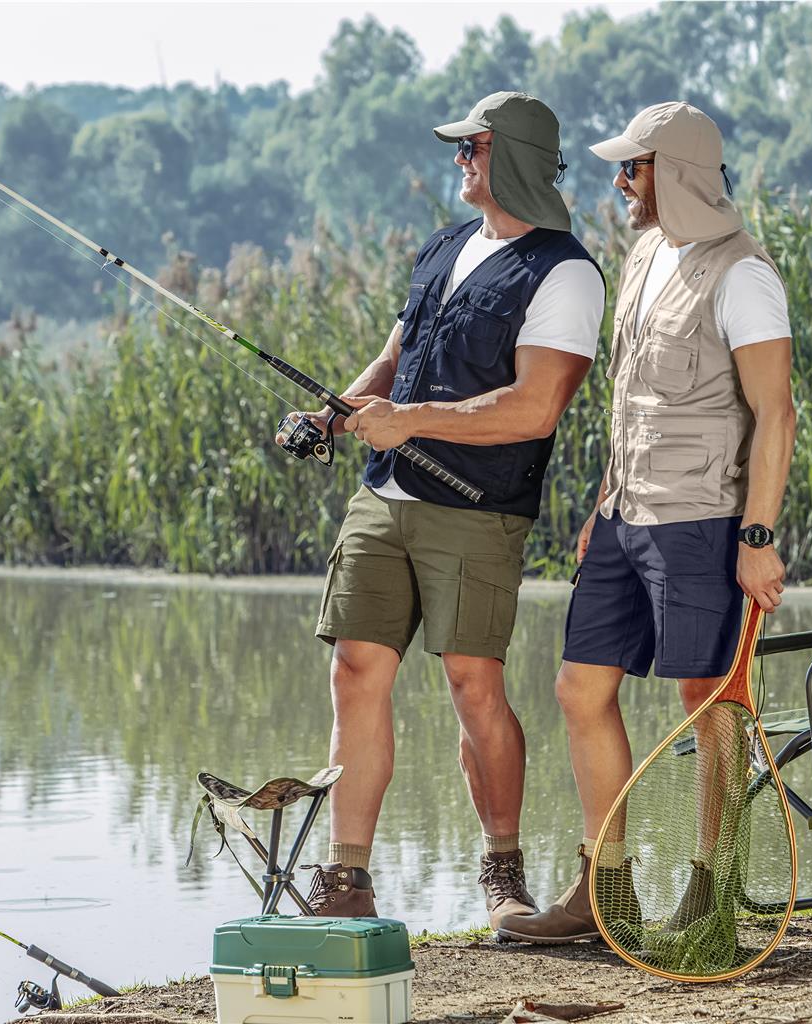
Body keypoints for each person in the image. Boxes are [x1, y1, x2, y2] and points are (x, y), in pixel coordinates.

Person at [290, 92, 605, 928]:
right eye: (460, 147)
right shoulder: (445, 244)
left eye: (475, 146)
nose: (460, 158)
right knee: (354, 669)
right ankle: (346, 881)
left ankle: (503, 872)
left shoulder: (565, 272)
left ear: (516, 157)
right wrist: (334, 414)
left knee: (473, 684)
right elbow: (394, 360)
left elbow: (536, 407)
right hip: (382, 493)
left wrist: (412, 421)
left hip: (477, 510)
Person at [497, 101, 795, 944]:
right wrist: (604, 501)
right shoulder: (645, 253)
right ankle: (606, 894)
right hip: (625, 515)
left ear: (677, 172)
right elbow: (632, 397)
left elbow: (777, 414)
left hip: (705, 520)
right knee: (579, 687)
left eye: (633, 167)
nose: (620, 181)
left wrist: (758, 538)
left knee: (709, 700)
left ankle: (711, 897)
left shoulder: (744, 274)